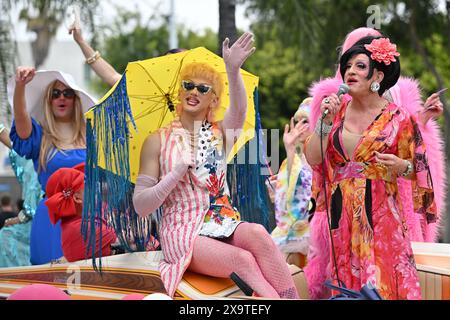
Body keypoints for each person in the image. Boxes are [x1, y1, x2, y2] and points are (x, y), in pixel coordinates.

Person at [132, 32, 298, 299]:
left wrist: (233, 69)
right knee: (242, 260)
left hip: (222, 222)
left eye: (203, 88)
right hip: (182, 231)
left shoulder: (219, 133)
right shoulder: (157, 140)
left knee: (259, 234)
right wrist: (175, 174)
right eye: (188, 85)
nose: (194, 91)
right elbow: (141, 205)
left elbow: (240, 112)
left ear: (214, 98)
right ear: (179, 91)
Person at [304, 27, 445, 300]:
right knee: (348, 287)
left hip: (383, 218)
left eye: (359, 66)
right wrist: (323, 121)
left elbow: (420, 169)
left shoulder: (399, 117)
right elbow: (314, 159)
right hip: (342, 216)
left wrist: (400, 167)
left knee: (382, 285)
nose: (350, 71)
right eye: (347, 66)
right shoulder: (335, 113)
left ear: (378, 76)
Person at [8, 67, 95, 264]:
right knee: (51, 282)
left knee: (87, 284)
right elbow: (21, 120)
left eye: (67, 93)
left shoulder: (92, 134)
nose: (61, 98)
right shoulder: (40, 136)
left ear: (76, 99)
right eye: (55, 94)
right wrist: (21, 86)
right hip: (52, 219)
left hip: (89, 217)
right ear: (48, 101)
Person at [266, 97, 313, 263]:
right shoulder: (293, 159)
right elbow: (285, 202)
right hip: (294, 235)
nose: (299, 126)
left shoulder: (325, 157)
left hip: (316, 233)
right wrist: (276, 188)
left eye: (306, 121)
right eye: (296, 121)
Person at [69, 25, 187, 87]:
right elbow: (112, 77)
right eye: (165, 63)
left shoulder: (202, 99)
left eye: (175, 63)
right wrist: (81, 41)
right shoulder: (150, 91)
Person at [44, 164, 117, 262]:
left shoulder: (81, 220)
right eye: (87, 185)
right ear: (77, 198)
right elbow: (131, 239)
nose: (95, 189)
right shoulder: (82, 229)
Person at [0, 123, 42, 267]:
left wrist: (19, 219)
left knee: (6, 236)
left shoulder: (40, 159)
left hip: (47, 224)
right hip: (39, 222)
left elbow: (34, 208)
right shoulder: (29, 158)